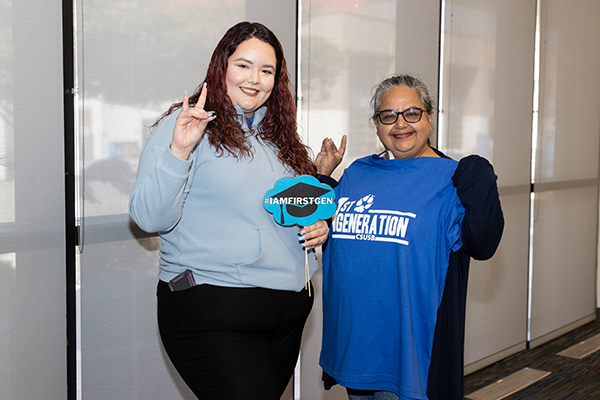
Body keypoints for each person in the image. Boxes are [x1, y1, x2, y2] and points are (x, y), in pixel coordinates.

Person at [129, 21, 329, 400]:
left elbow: (288, 208)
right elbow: (149, 218)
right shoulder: (187, 125)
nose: (255, 79)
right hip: (213, 308)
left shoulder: (279, 136)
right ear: (221, 66)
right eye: (243, 65)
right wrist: (180, 150)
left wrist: (319, 224)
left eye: (266, 70)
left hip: (286, 310)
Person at [316, 74, 504, 400]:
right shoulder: (357, 173)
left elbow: (483, 243)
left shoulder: (452, 179)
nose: (400, 124)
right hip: (356, 344)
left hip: (409, 354)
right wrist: (321, 176)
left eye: (412, 113)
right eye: (388, 116)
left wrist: (482, 179)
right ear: (376, 124)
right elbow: (324, 227)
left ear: (430, 116)